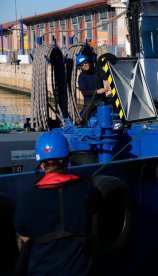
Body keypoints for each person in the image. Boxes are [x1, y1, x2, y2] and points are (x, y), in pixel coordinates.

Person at [14, 131, 102, 275]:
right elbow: (97, 206)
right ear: (67, 160)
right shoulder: (86, 190)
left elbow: (25, 237)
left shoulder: (27, 199)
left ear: (41, 165)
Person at [76, 54, 111, 123]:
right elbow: (84, 92)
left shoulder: (98, 71)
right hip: (89, 103)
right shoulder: (82, 77)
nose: (85, 65)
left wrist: (107, 83)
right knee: (84, 120)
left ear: (88, 61)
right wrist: (97, 91)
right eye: (82, 64)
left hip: (102, 101)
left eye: (85, 62)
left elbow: (107, 79)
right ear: (80, 67)